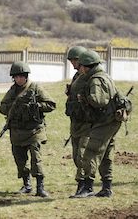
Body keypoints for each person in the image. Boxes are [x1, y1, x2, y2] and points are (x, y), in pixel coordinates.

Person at [0, 61, 56, 198]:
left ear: (26, 76)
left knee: (36, 159)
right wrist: (14, 107)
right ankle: (27, 185)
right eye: (16, 77)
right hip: (17, 132)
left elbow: (51, 104)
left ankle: (40, 187)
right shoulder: (12, 91)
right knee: (20, 160)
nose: (19, 79)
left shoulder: (35, 88)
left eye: (21, 76)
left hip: (34, 131)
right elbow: (2, 107)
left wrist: (36, 106)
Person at [72, 50, 121, 198]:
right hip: (111, 121)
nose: (80, 69)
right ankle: (106, 188)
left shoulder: (96, 79)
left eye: (82, 66)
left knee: (90, 153)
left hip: (104, 122)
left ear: (87, 66)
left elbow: (99, 101)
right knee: (106, 155)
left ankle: (88, 187)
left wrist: (84, 98)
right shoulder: (104, 76)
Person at [64, 46, 92, 198]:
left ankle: (85, 186)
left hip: (87, 122)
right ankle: (82, 185)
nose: (73, 63)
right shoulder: (76, 77)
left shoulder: (90, 77)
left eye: (75, 60)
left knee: (83, 154)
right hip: (76, 121)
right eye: (71, 60)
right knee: (76, 155)